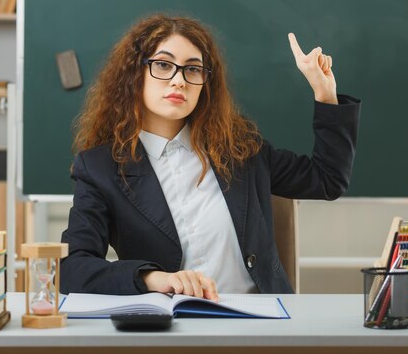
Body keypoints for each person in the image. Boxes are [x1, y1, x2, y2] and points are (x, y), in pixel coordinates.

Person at [61, 15, 360, 301]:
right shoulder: (101, 168)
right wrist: (152, 279)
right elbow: (71, 269)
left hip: (261, 324)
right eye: (163, 65)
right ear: (134, 74)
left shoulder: (240, 150)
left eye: (192, 69)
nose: (178, 80)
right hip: (170, 328)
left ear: (205, 83)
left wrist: (325, 92)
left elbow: (327, 180)